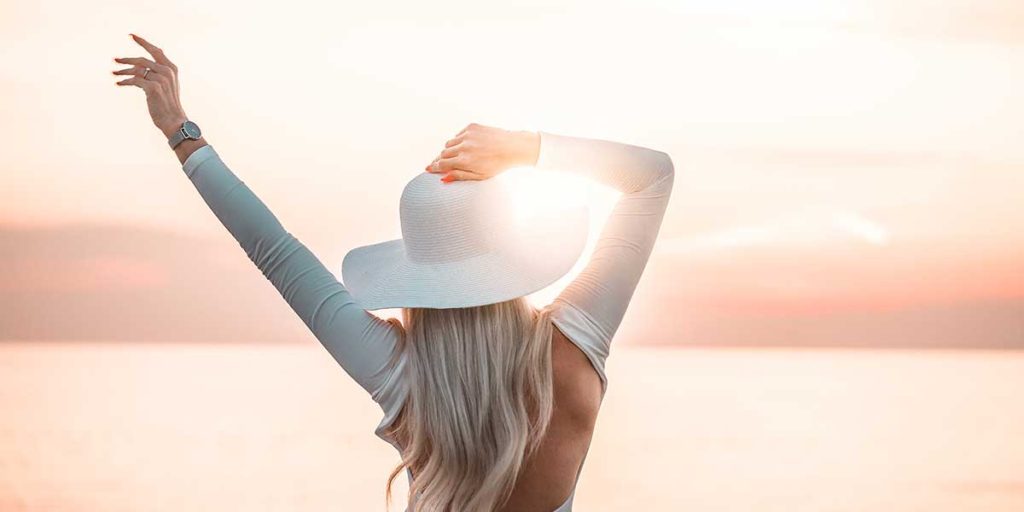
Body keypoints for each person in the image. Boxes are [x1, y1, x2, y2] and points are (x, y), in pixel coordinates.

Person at [114, 34, 674, 512]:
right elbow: (653, 176)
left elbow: (275, 252)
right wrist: (525, 149)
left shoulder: (402, 376)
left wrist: (180, 131)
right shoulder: (574, 348)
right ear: (510, 251)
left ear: (417, 271)